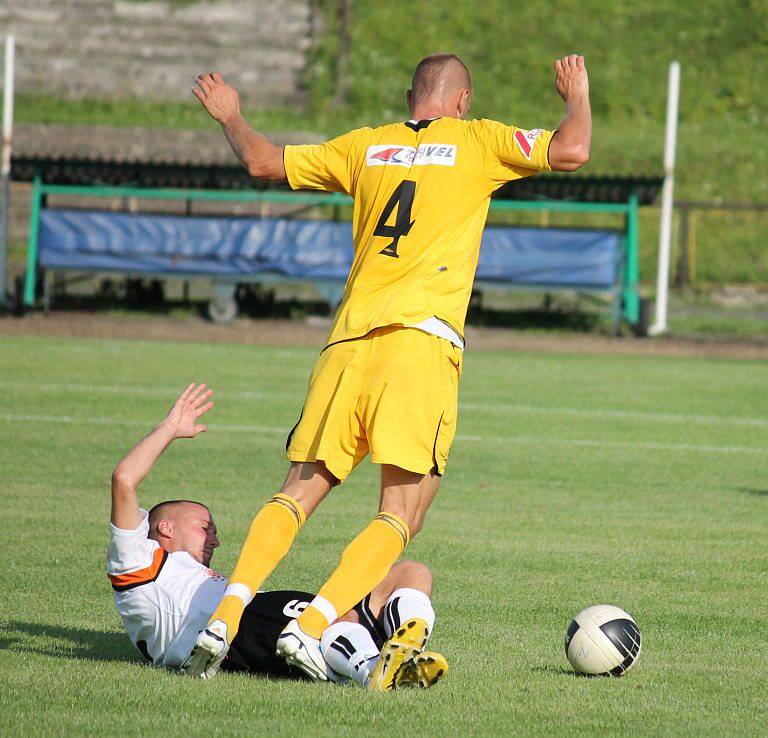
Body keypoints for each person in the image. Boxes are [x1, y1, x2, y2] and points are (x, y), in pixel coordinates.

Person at [184, 52, 591, 681]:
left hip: (347, 342)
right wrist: (576, 95)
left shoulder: (366, 146)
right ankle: (314, 625)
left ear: (410, 99)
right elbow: (572, 150)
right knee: (402, 511)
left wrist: (232, 117)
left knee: (298, 490)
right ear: (462, 100)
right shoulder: (479, 140)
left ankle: (226, 612)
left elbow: (263, 161)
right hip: (420, 345)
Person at [108, 384, 447, 689]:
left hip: (249, 615)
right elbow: (124, 479)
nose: (214, 539)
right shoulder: (137, 563)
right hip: (237, 628)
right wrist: (169, 428)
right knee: (327, 620)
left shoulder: (188, 573)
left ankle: (403, 652)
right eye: (205, 527)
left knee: (412, 574)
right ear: (165, 528)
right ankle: (373, 670)